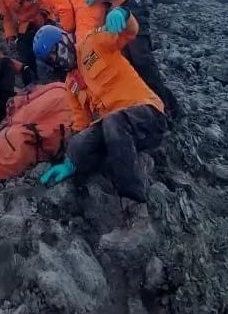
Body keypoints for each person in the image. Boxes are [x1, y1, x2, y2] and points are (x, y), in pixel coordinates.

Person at [33, 13, 166, 209]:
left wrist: (124, 15)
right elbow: (81, 124)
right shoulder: (71, 85)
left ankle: (133, 198)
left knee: (113, 122)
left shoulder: (93, 42)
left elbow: (128, 32)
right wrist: (71, 160)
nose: (59, 59)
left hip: (147, 114)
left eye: (57, 50)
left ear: (66, 38)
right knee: (79, 143)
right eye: (52, 59)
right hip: (119, 131)